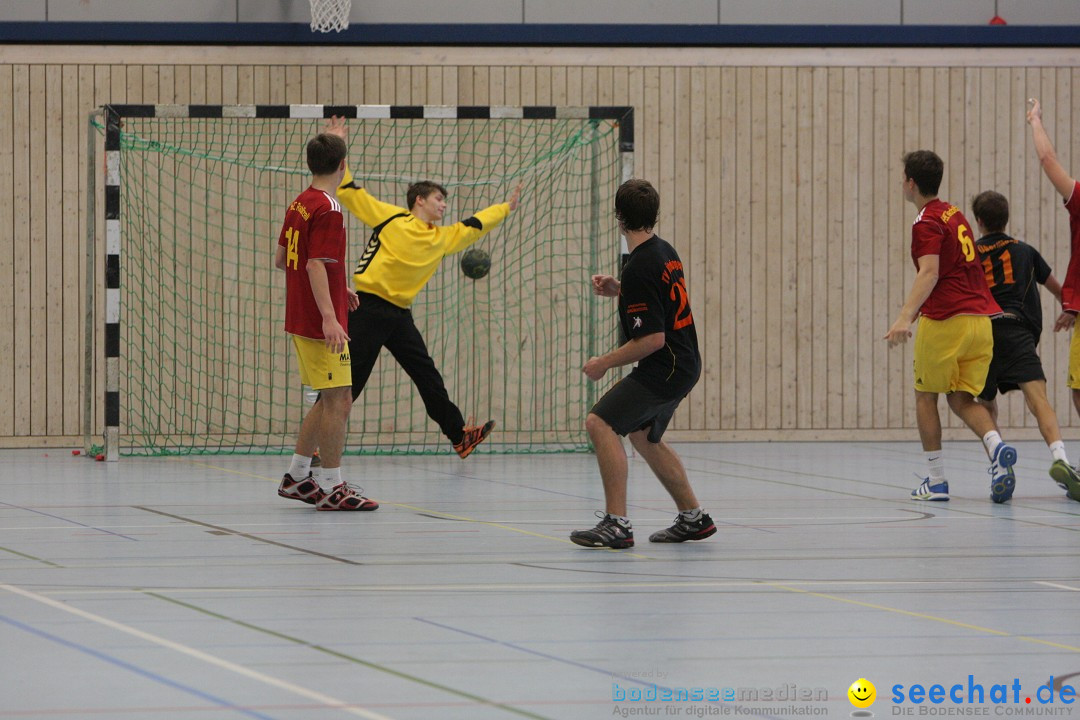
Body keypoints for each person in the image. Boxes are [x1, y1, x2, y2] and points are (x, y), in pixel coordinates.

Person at [323, 117, 521, 458]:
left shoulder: (443, 238)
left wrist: (505, 208)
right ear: (419, 200)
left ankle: (460, 436)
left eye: (444, 201)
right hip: (367, 308)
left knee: (427, 376)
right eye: (438, 199)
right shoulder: (390, 217)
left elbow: (475, 225)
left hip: (399, 315)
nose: (443, 204)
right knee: (347, 385)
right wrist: (336, 142)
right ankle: (316, 444)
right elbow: (348, 189)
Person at [571, 178, 715, 549]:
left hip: (665, 366)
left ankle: (617, 524)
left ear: (618, 218)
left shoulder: (641, 265)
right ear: (654, 215)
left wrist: (604, 362)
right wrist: (621, 289)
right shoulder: (663, 251)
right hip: (684, 362)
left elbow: (652, 339)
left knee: (599, 423)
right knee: (644, 435)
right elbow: (659, 301)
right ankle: (693, 518)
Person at [884, 150, 1018, 503]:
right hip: (981, 323)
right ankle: (997, 447)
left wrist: (904, 316)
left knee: (924, 396)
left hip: (946, 321)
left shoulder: (926, 221)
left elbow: (929, 272)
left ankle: (937, 480)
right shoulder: (955, 214)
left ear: (911, 183)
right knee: (961, 398)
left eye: (903, 179)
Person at [274, 130, 378, 511]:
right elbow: (316, 263)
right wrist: (330, 316)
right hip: (320, 324)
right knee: (339, 400)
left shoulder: (301, 202)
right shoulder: (330, 209)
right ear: (343, 165)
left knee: (327, 398)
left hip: (301, 315)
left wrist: (340, 287)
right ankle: (332, 485)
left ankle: (298, 476)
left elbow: (283, 256)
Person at [971, 190, 1080, 501]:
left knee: (986, 402)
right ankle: (1061, 459)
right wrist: (1068, 310)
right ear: (1006, 218)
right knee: (1039, 401)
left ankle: (1000, 465)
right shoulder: (1025, 251)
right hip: (1018, 331)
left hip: (983, 333)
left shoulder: (972, 254)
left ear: (979, 222)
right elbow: (1057, 287)